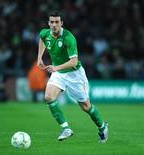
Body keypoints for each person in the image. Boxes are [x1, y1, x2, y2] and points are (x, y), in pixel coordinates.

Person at [37, 11, 108, 143]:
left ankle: (102, 127)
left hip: (74, 75)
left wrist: (55, 68)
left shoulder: (69, 38)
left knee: (85, 106)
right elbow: (42, 39)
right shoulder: (44, 33)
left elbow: (74, 61)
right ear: (48, 23)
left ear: (61, 23)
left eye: (56, 22)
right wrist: (39, 57)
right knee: (48, 97)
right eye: (51, 22)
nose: (54, 25)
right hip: (59, 74)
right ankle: (65, 128)